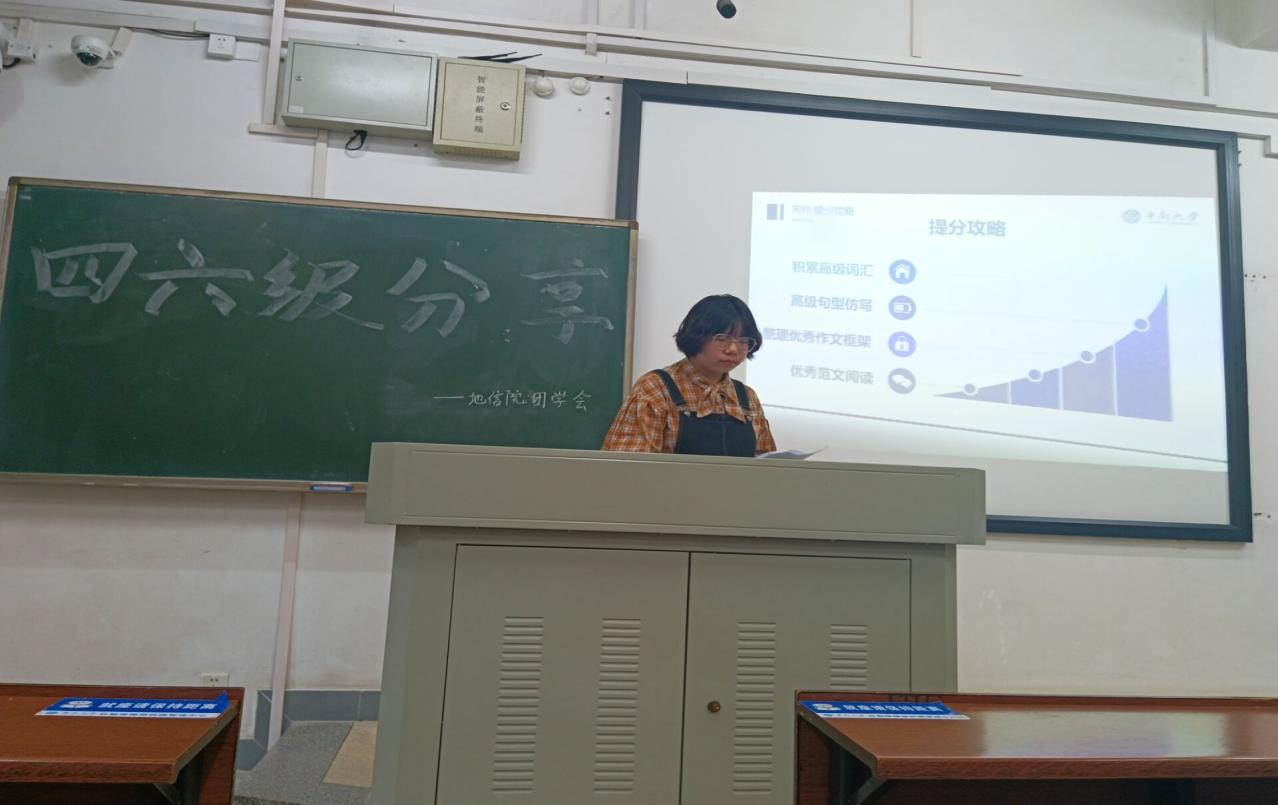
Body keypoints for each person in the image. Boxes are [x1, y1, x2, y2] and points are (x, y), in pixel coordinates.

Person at [603, 294, 776, 456]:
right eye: (722, 338)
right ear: (697, 336)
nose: (733, 349)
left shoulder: (747, 398)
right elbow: (628, 467)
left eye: (744, 341)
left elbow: (768, 467)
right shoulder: (656, 389)